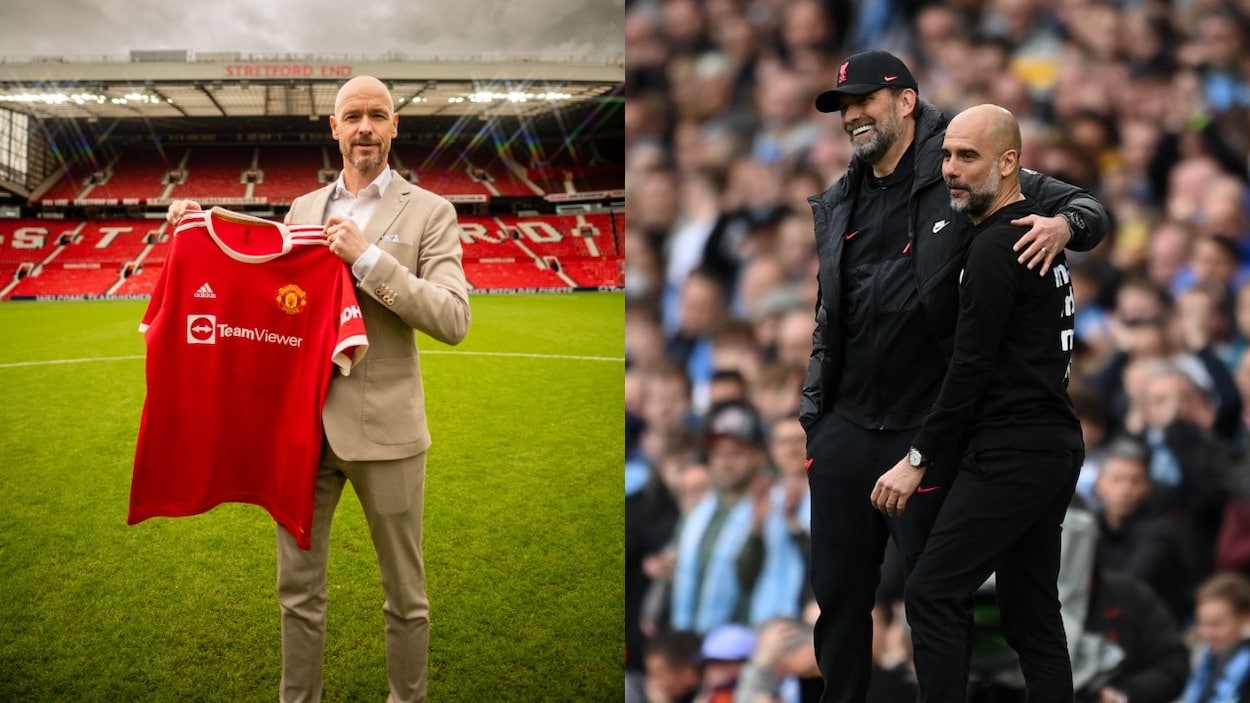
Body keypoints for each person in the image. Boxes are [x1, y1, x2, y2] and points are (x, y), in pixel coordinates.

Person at [800, 50, 1108, 702]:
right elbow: (832, 314)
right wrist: (816, 419)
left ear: (905, 102)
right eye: (843, 106)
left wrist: (1065, 225)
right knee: (840, 598)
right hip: (848, 425)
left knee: (936, 595)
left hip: (929, 424)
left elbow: (1080, 206)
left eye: (865, 102)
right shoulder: (840, 198)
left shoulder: (969, 160)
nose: (852, 116)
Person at [166, 74, 471, 703]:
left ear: (394, 127)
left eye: (377, 115)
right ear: (333, 127)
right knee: (297, 591)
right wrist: (198, 226)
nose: (365, 127)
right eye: (352, 115)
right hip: (302, 434)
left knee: (405, 596)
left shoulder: (431, 212)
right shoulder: (303, 210)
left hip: (387, 434)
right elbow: (268, 286)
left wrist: (369, 259)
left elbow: (453, 318)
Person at [870, 103, 1084, 701]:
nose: (951, 169)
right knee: (1030, 613)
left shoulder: (996, 247)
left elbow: (971, 368)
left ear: (1010, 162)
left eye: (968, 156)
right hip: (1049, 444)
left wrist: (918, 459)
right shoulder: (1036, 236)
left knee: (933, 591)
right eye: (946, 155)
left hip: (1011, 450)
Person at [1182, 571, 1250, 702]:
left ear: (1245, 618)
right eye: (1202, 623)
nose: (1207, 633)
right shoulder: (1204, 655)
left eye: (1217, 624)